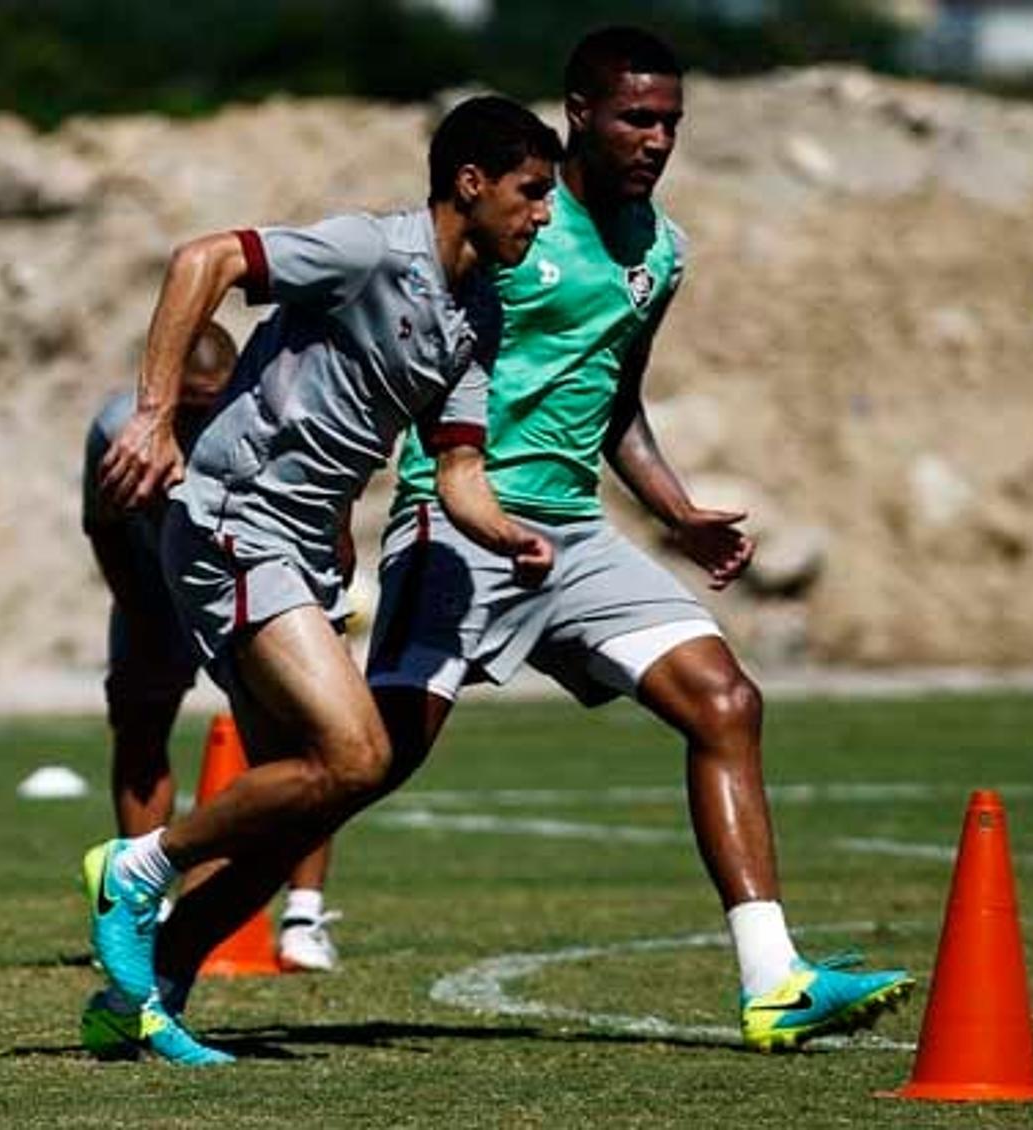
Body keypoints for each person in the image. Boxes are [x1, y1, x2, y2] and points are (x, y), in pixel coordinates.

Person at [366, 27, 911, 1052]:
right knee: (365, 761)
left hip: (577, 536)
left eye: (671, 122)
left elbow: (618, 404)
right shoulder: (512, 219)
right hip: (464, 523)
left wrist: (678, 512)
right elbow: (415, 351)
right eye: (637, 118)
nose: (657, 139)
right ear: (580, 112)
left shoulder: (661, 249)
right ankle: (161, 895)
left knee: (727, 701)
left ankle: (773, 978)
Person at [81, 95, 563, 1065]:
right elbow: (201, 261)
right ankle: (139, 863)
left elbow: (458, 469)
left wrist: (512, 536)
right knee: (357, 752)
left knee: (299, 804)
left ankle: (140, 1000)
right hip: (234, 519)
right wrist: (154, 416)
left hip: (299, 549)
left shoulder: (477, 316)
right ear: (470, 185)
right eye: (532, 192)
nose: (545, 215)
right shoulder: (371, 250)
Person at [80, 322, 344, 975]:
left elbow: (327, 495)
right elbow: (104, 527)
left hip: (251, 594)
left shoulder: (274, 416)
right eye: (188, 404)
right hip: (157, 594)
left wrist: (327, 580)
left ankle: (303, 916)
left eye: (211, 402)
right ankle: (144, 908)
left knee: (319, 742)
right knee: (139, 731)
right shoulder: (120, 431)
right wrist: (138, 609)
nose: (200, 417)